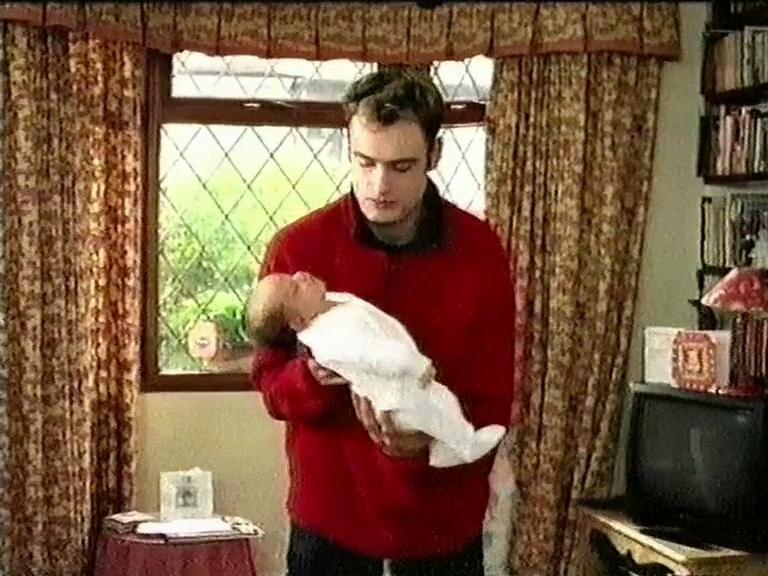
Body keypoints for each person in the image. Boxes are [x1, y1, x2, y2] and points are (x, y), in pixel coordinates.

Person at [249, 68, 517, 576]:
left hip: (444, 531)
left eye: (401, 166)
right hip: (329, 530)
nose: (379, 186)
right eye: (364, 162)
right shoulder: (298, 250)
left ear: (434, 156)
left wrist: (430, 440)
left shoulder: (481, 252)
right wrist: (314, 378)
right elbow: (270, 388)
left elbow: (497, 396)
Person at [247, 271, 507, 468]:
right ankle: (463, 445)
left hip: (445, 497)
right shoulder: (327, 337)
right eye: (294, 287)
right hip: (396, 400)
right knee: (437, 409)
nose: (300, 274)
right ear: (297, 320)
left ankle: (446, 447)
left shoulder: (327, 304)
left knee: (443, 406)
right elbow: (376, 356)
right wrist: (309, 378)